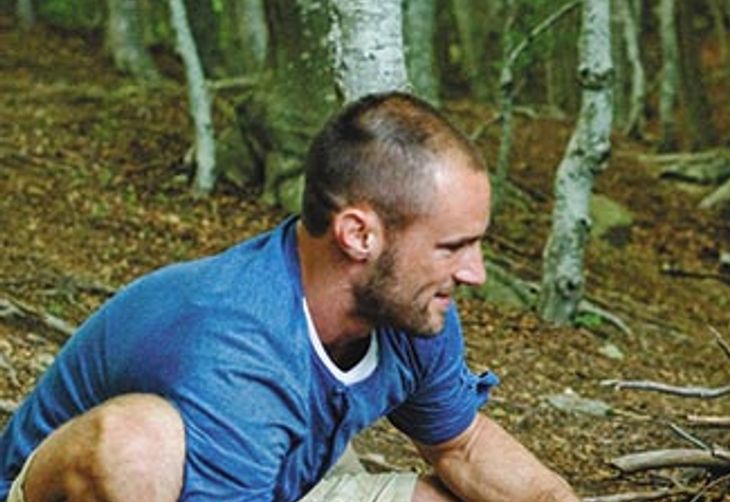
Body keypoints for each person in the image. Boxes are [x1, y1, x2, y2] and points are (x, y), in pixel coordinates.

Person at [0, 92, 579, 502]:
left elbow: (464, 446)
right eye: (453, 247)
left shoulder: (411, 305)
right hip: (94, 486)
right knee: (136, 444)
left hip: (267, 482)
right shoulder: (235, 342)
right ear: (358, 235)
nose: (474, 272)